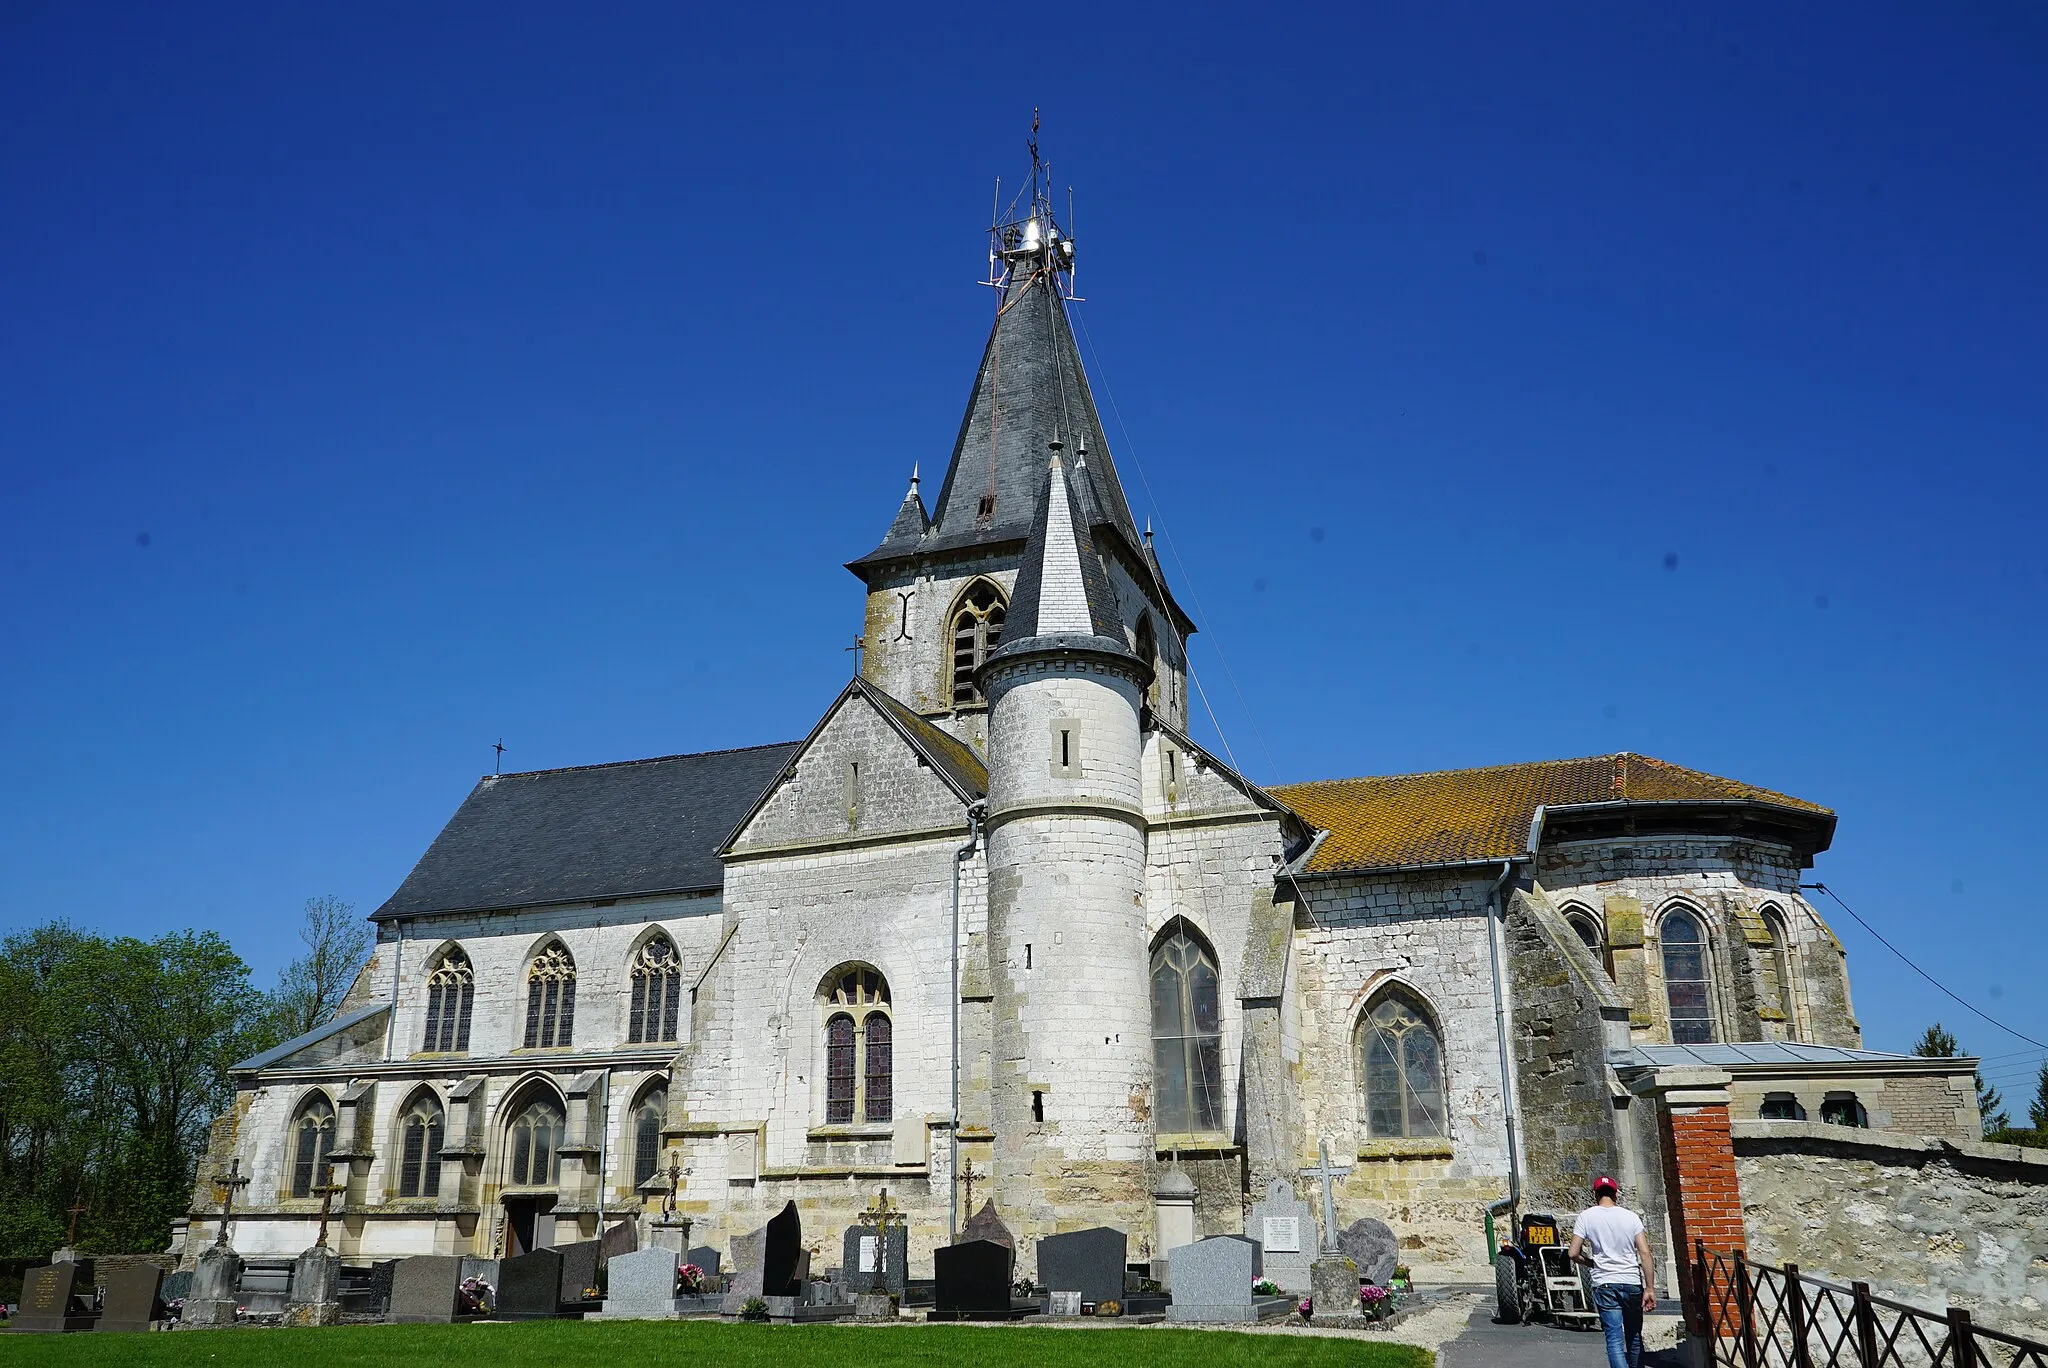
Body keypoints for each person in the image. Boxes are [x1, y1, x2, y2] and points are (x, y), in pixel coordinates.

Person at [1568, 1175, 1657, 1368]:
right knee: (1634, 1336)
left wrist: (1593, 1263)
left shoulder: (1586, 1216)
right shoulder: (1631, 1217)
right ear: (1615, 1194)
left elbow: (1573, 1253)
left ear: (1595, 1194)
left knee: (1614, 1340)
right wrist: (1649, 1288)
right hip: (1631, 1281)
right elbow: (1645, 1253)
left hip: (1605, 1282)